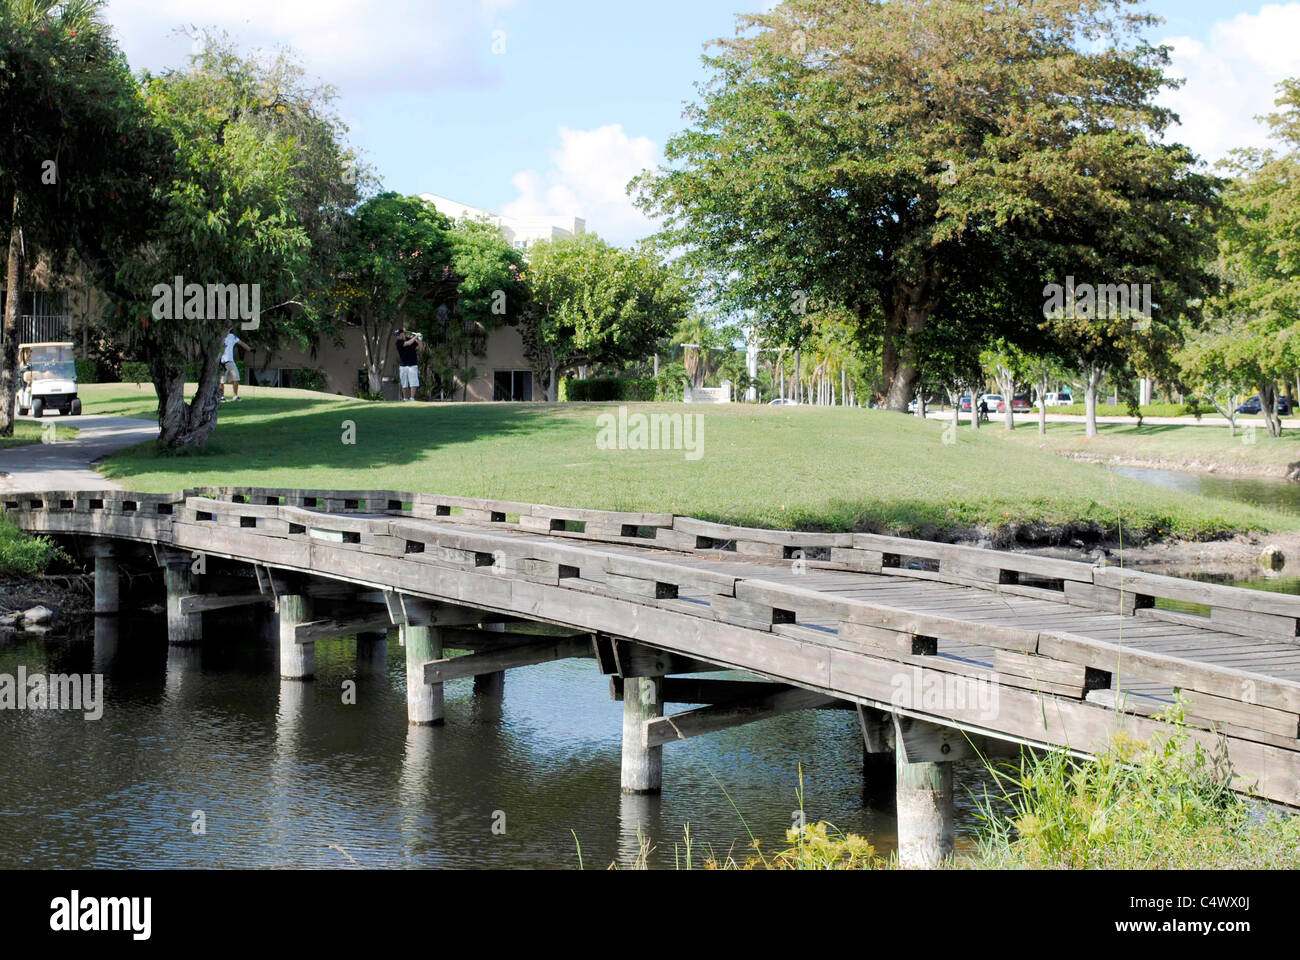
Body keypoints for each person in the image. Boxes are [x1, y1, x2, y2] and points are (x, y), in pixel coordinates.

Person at [221, 329, 250, 402]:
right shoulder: (219, 336)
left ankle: (235, 396)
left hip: (231, 361)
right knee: (221, 381)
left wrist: (250, 349)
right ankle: (221, 397)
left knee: (236, 379)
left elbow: (241, 343)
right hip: (221, 362)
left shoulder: (232, 336)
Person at [394, 329, 422, 401]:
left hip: (412, 364)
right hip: (403, 365)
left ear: (403, 334)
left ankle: (412, 398)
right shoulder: (398, 343)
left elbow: (420, 348)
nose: (397, 336)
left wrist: (420, 339)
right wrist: (416, 336)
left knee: (413, 382)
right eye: (397, 335)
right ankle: (405, 398)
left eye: (399, 334)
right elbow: (408, 343)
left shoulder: (411, 339)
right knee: (404, 383)